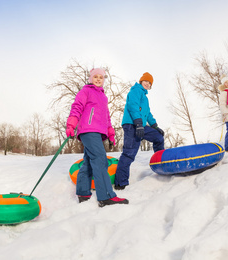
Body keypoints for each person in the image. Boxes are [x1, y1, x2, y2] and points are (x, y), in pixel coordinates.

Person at [66, 68, 128, 207]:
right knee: (100, 159)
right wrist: (71, 124)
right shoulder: (86, 91)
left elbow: (106, 117)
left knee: (89, 161)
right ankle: (106, 196)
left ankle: (83, 193)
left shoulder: (103, 97)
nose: (98, 79)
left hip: (98, 132)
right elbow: (77, 107)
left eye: (101, 77)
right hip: (88, 130)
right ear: (91, 79)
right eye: (96, 77)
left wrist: (111, 134)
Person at [114, 72, 165, 190]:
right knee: (129, 153)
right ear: (141, 81)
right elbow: (133, 106)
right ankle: (120, 183)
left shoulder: (145, 98)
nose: (147, 84)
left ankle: (162, 164)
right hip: (132, 125)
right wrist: (138, 123)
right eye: (146, 81)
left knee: (158, 137)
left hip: (140, 125)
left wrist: (155, 126)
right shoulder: (135, 91)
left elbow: (147, 114)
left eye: (150, 83)